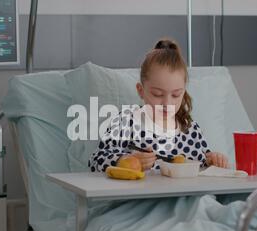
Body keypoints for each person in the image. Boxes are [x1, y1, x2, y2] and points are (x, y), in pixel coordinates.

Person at [89, 38, 228, 172]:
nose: (167, 104)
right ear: (141, 91)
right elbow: (95, 162)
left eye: (175, 95)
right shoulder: (126, 123)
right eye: (157, 94)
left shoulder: (191, 130)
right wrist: (125, 161)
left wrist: (213, 161)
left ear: (183, 91)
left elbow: (203, 166)